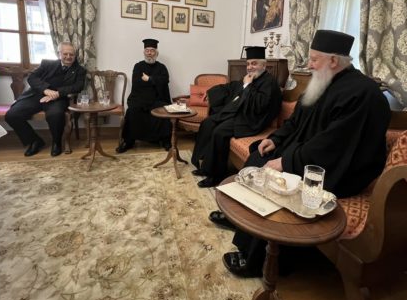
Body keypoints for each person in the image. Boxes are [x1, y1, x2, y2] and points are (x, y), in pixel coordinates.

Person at [211, 30, 391, 277]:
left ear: (333, 61)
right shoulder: (321, 82)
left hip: (336, 167)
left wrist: (287, 162)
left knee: (274, 180)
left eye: (314, 59)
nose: (309, 64)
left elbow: (333, 145)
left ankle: (256, 261)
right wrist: (275, 139)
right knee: (258, 157)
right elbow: (296, 121)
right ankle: (242, 221)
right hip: (307, 153)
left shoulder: (362, 93)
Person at [191, 46, 282, 188]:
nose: (250, 67)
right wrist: (210, 92)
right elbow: (232, 87)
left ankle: (216, 176)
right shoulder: (251, 78)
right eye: (248, 64)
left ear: (264, 65)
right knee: (208, 123)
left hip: (253, 120)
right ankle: (205, 166)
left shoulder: (269, 82)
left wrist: (247, 85)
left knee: (220, 132)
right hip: (240, 114)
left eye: (254, 63)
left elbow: (259, 106)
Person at [5, 42, 86, 157]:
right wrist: (45, 90)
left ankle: (56, 142)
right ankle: (34, 141)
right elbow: (32, 78)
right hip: (37, 95)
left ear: (75, 55)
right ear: (59, 54)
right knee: (12, 115)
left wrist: (57, 93)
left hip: (58, 99)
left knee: (55, 115)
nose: (68, 57)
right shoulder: (47, 64)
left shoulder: (80, 70)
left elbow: (78, 86)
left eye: (71, 54)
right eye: (65, 54)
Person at [116, 39, 171, 153]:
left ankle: (166, 141)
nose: (149, 53)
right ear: (144, 52)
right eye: (147, 50)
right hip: (140, 98)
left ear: (156, 53)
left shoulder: (162, 67)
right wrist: (155, 81)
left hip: (157, 99)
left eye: (152, 50)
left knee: (163, 110)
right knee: (132, 111)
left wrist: (149, 79)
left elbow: (165, 81)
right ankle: (128, 141)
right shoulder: (138, 66)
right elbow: (137, 82)